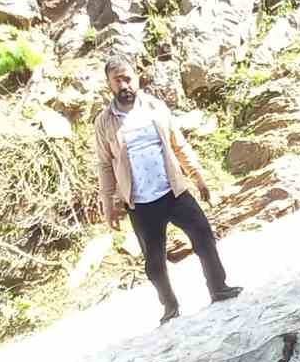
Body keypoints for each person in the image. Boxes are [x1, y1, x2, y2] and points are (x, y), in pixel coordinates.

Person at [93, 54, 241, 324]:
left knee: (204, 236)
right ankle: (170, 306)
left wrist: (198, 176)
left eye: (127, 78)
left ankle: (218, 287)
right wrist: (109, 204)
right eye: (117, 81)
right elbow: (104, 165)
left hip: (172, 190)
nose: (124, 84)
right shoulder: (104, 122)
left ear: (136, 78)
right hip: (139, 202)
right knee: (154, 262)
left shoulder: (154, 106)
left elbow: (178, 144)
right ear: (109, 85)